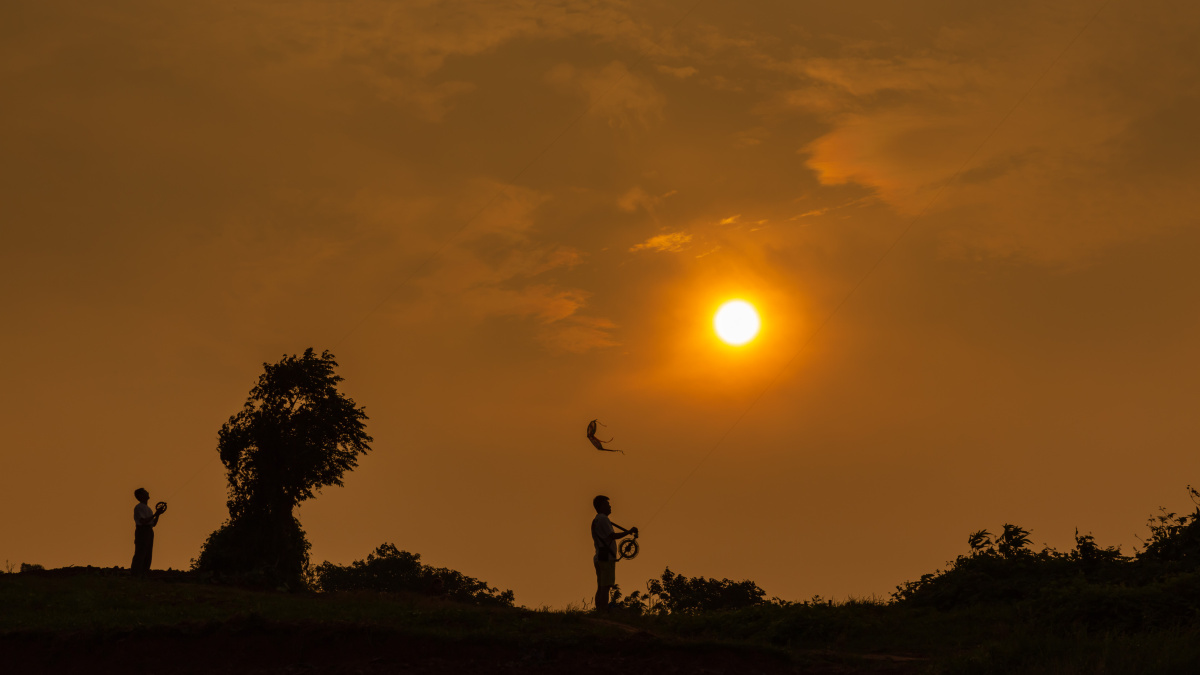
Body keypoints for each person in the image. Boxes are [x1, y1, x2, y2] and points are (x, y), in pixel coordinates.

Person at [591, 494, 636, 611]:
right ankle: (604, 610)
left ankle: (599, 610)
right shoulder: (603, 519)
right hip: (606, 558)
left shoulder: (596, 520)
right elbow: (612, 536)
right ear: (601, 506)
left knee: (601, 587)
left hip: (599, 557)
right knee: (605, 587)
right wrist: (628, 532)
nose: (610, 507)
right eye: (607, 505)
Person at [131, 488, 166, 576]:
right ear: (141, 495)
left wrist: (157, 515)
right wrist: (155, 514)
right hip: (142, 531)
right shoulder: (138, 507)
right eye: (145, 492)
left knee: (148, 553)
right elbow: (143, 521)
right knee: (141, 552)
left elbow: (153, 523)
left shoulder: (148, 509)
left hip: (149, 531)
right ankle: (135, 573)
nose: (148, 492)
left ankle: (144, 573)